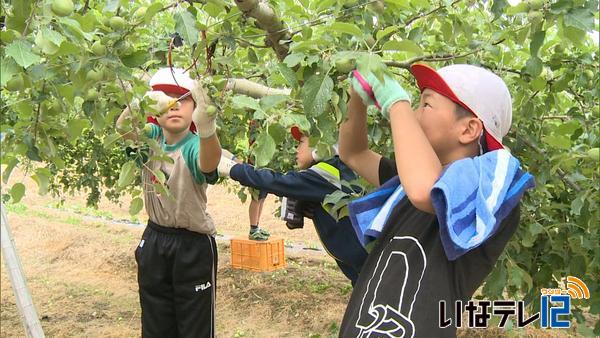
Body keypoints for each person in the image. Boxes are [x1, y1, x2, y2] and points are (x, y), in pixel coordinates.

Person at [337, 63, 535, 336]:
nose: (414, 115)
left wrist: (397, 104)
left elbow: (424, 191)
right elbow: (354, 153)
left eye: (425, 105)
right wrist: (357, 95)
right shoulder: (406, 184)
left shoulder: (487, 191)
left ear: (468, 130)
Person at [116, 67, 222, 337]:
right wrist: (141, 99)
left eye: (183, 99)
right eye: (167, 100)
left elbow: (210, 162)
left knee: (194, 325)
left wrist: (208, 126)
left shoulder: (195, 145)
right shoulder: (151, 137)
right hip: (155, 239)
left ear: (194, 109)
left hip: (192, 246)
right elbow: (123, 128)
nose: (174, 106)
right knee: (155, 321)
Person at [218, 126, 368, 284]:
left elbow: (276, 181)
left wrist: (231, 169)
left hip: (366, 266)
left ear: (319, 144)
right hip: (362, 266)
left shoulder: (326, 173)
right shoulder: (338, 169)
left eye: (301, 142)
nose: (296, 149)